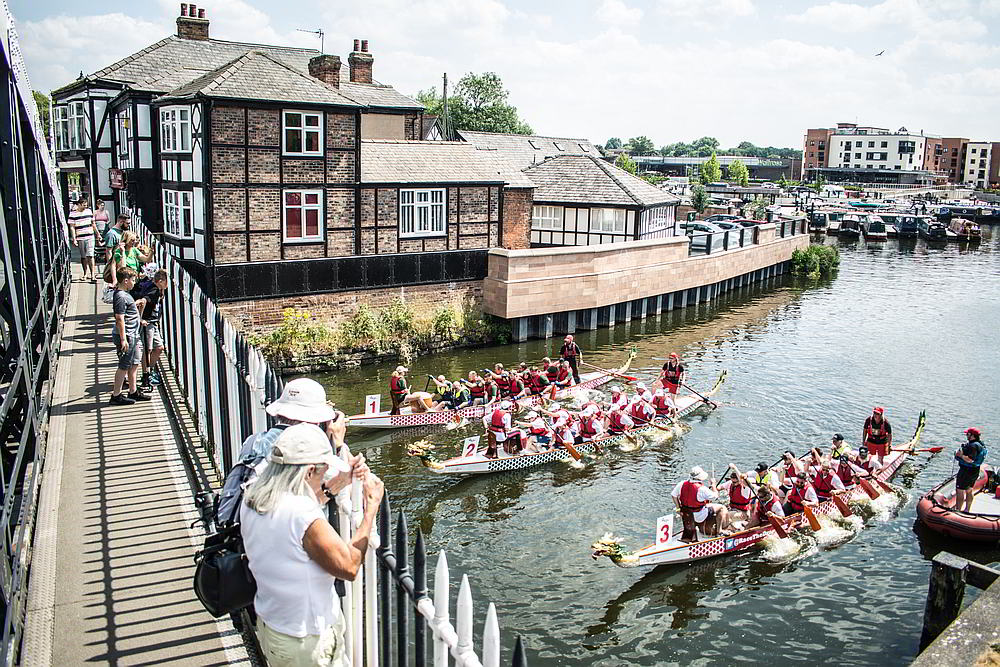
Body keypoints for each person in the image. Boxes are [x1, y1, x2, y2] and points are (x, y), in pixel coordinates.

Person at [241, 423, 384, 667]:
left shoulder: (255, 497)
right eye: (322, 472)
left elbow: (292, 522)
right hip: (306, 641)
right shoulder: (300, 513)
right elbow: (349, 566)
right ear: (307, 472)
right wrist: (371, 508)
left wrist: (338, 483)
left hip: (274, 625)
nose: (323, 476)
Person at [109, 268, 149, 405]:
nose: (134, 282)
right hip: (127, 336)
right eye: (133, 280)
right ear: (125, 281)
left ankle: (133, 391)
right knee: (124, 365)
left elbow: (127, 313)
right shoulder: (121, 296)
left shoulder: (124, 295)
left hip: (133, 334)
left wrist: (135, 307)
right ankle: (116, 395)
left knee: (135, 362)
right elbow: (119, 318)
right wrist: (123, 339)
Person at [134, 268, 168, 389]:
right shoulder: (154, 291)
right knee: (147, 349)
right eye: (166, 281)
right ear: (160, 281)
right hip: (148, 323)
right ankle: (146, 375)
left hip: (153, 322)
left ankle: (150, 370)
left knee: (159, 347)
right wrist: (140, 318)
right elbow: (144, 300)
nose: (167, 284)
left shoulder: (157, 290)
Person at [671, 466, 724, 542]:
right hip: (699, 515)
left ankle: (691, 531)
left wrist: (678, 508)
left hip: (686, 515)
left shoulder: (681, 484)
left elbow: (673, 495)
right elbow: (715, 496)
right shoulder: (702, 489)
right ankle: (719, 531)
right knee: (721, 508)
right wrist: (713, 486)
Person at [954, 427, 987, 512]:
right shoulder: (980, 444)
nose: (966, 435)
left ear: (972, 435)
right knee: (969, 490)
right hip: (974, 470)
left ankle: (958, 510)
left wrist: (960, 455)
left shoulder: (973, 446)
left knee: (960, 490)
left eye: (968, 434)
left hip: (966, 471)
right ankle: (967, 509)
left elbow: (970, 459)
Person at [69, 197, 99, 281]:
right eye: (83, 205)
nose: (85, 207)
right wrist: (74, 239)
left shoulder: (89, 211)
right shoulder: (72, 214)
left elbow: (93, 224)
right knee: (83, 256)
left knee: (90, 255)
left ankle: (92, 274)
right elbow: (72, 227)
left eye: (86, 205)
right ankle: (85, 273)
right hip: (80, 237)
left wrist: (98, 234)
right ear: (78, 204)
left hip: (90, 236)